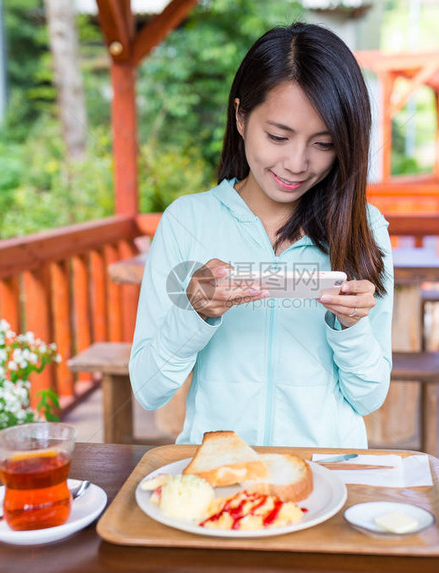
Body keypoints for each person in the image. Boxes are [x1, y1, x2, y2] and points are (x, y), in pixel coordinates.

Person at [129, 23, 394, 448]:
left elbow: (368, 398)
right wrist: (195, 313)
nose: (296, 163)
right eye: (278, 136)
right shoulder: (186, 221)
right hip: (220, 477)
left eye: (323, 144)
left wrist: (351, 328)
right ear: (240, 116)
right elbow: (148, 390)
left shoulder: (365, 227)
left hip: (326, 476)